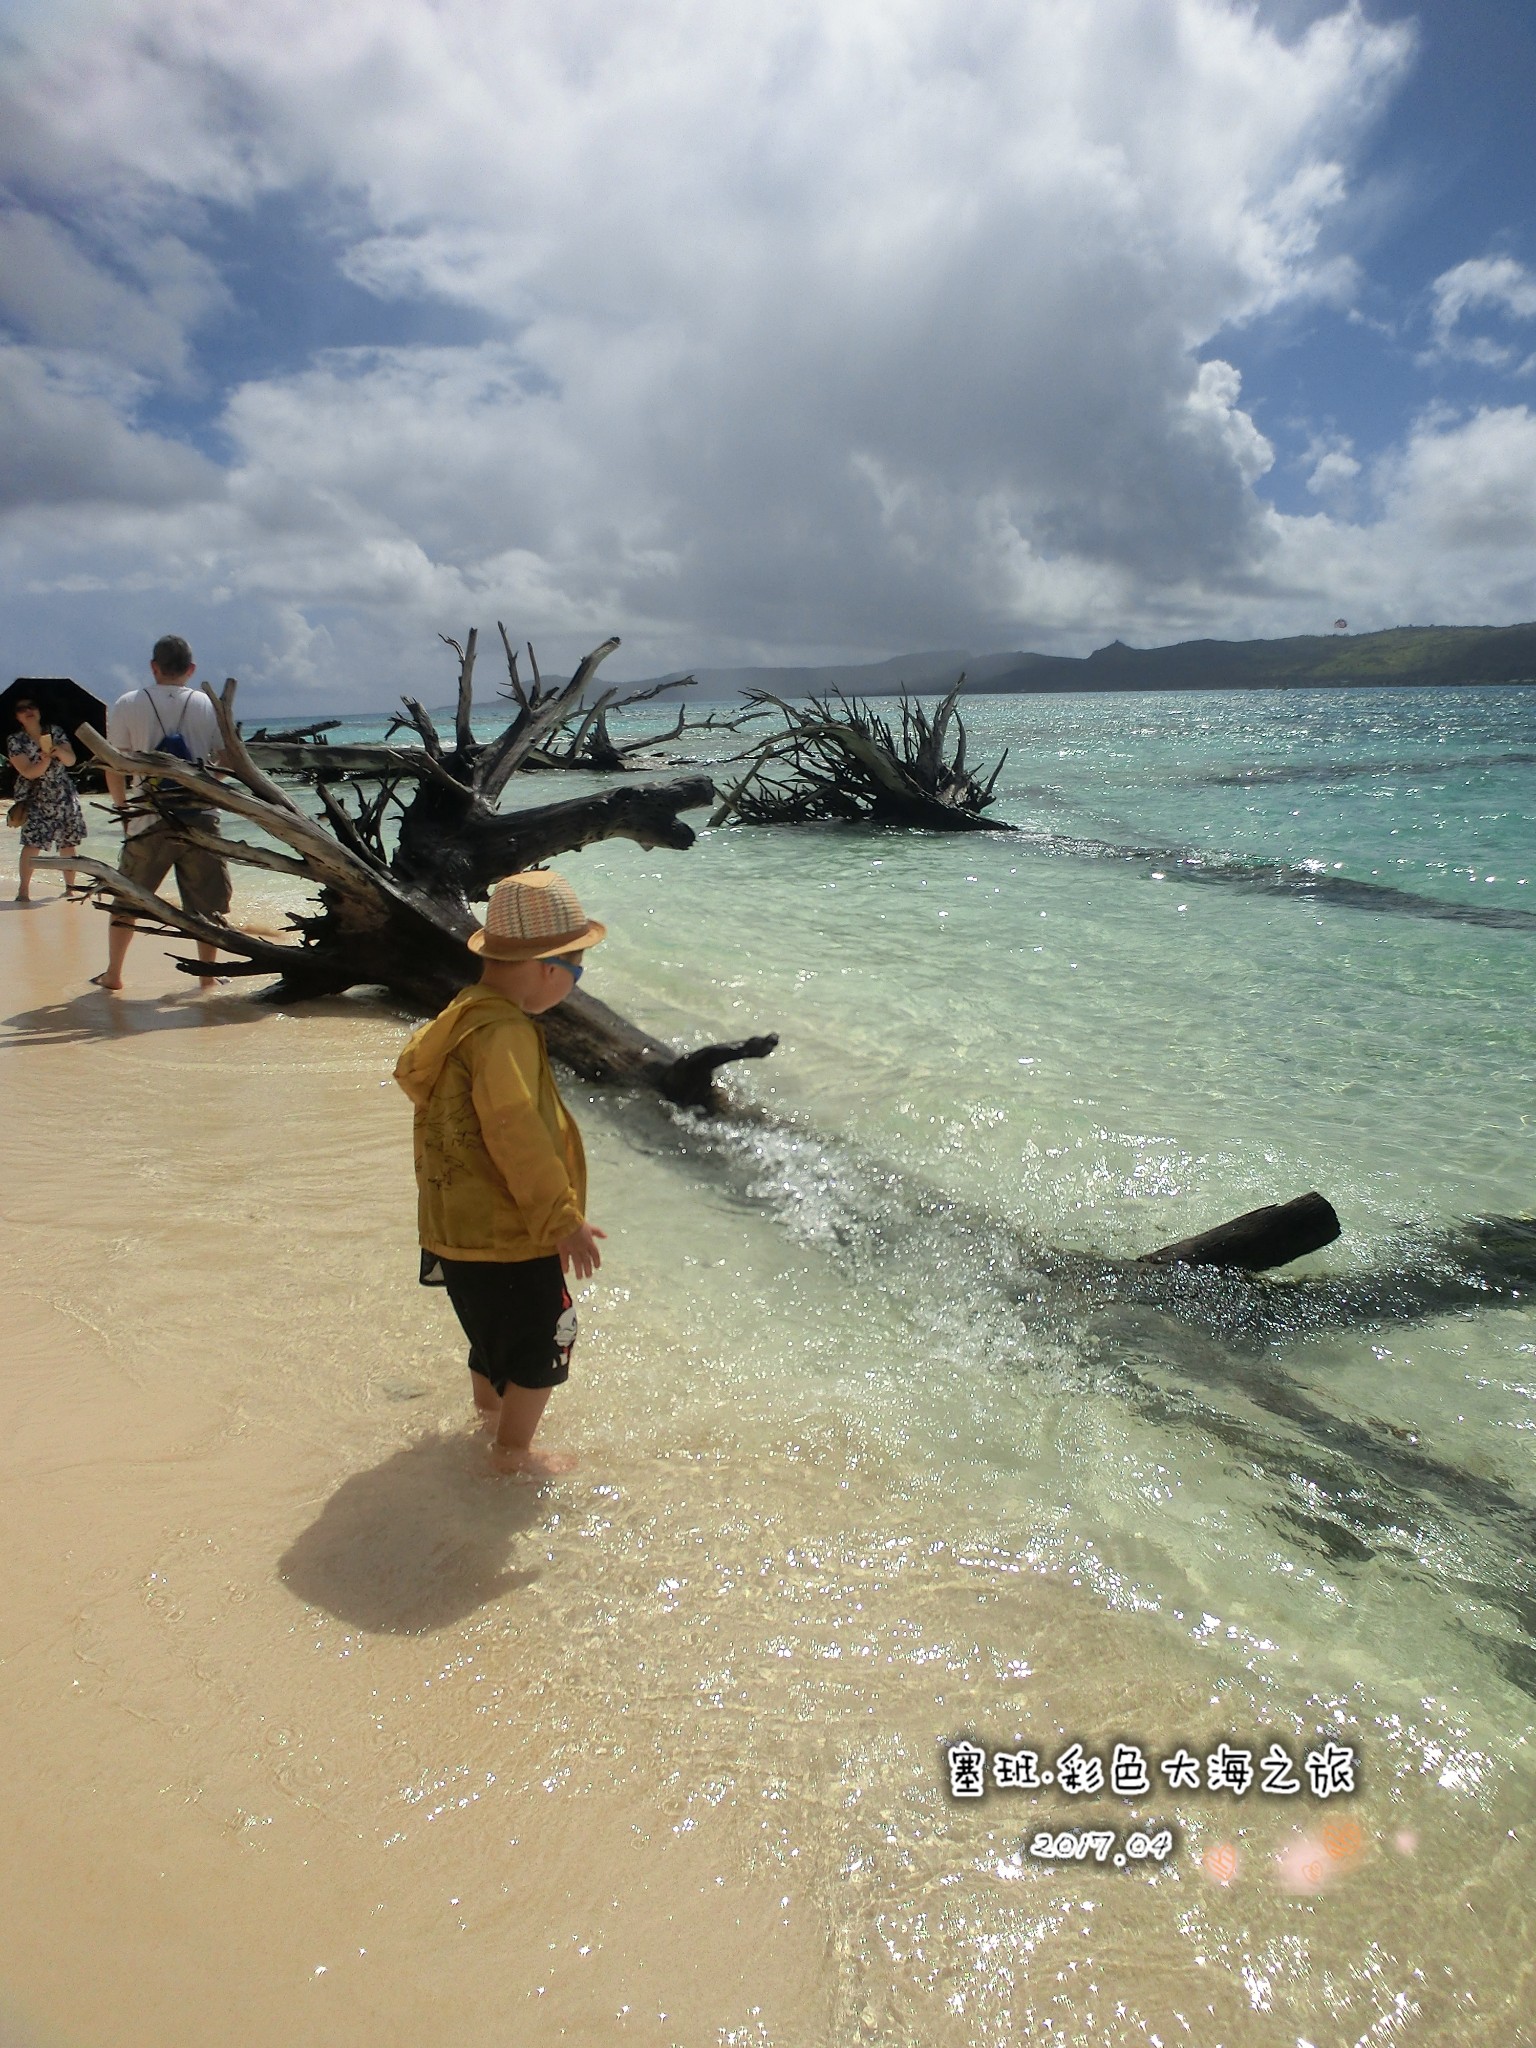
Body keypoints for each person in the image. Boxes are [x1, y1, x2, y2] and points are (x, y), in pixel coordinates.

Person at [394, 868, 607, 1476]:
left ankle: (489, 1420)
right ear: (548, 969)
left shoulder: (463, 1013)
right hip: (509, 1231)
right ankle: (511, 1453)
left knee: (490, 1339)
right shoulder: (507, 1033)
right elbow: (517, 1132)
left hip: (456, 1228)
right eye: (578, 970)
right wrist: (562, 1218)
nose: (576, 983)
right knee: (546, 1342)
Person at [94, 635, 231, 991]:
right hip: (201, 813)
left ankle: (114, 974)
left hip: (148, 815)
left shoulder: (127, 703)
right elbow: (226, 758)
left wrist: (123, 809)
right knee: (207, 903)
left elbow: (115, 763)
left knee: (129, 896)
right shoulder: (208, 705)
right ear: (191, 669)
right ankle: (207, 976)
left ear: (153, 667)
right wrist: (207, 784)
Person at [6, 697, 86, 902]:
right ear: (17, 716)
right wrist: (46, 760)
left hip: (63, 794)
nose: (28, 711)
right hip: (35, 797)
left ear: (39, 711)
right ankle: (23, 891)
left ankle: (70, 888)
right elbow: (28, 772)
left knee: (68, 842)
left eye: (31, 706)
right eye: (21, 709)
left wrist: (59, 751)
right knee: (32, 843)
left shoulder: (55, 731)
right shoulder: (15, 741)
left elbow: (71, 761)